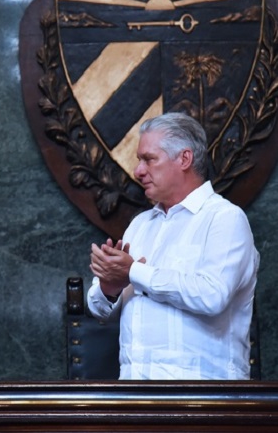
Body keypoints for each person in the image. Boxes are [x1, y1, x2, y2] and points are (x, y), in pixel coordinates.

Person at [87, 112, 259, 380]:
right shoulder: (141, 224)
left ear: (184, 159)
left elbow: (212, 295)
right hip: (133, 397)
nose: (138, 171)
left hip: (205, 399)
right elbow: (98, 308)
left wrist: (133, 272)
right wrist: (110, 286)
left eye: (149, 159)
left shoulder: (225, 218)